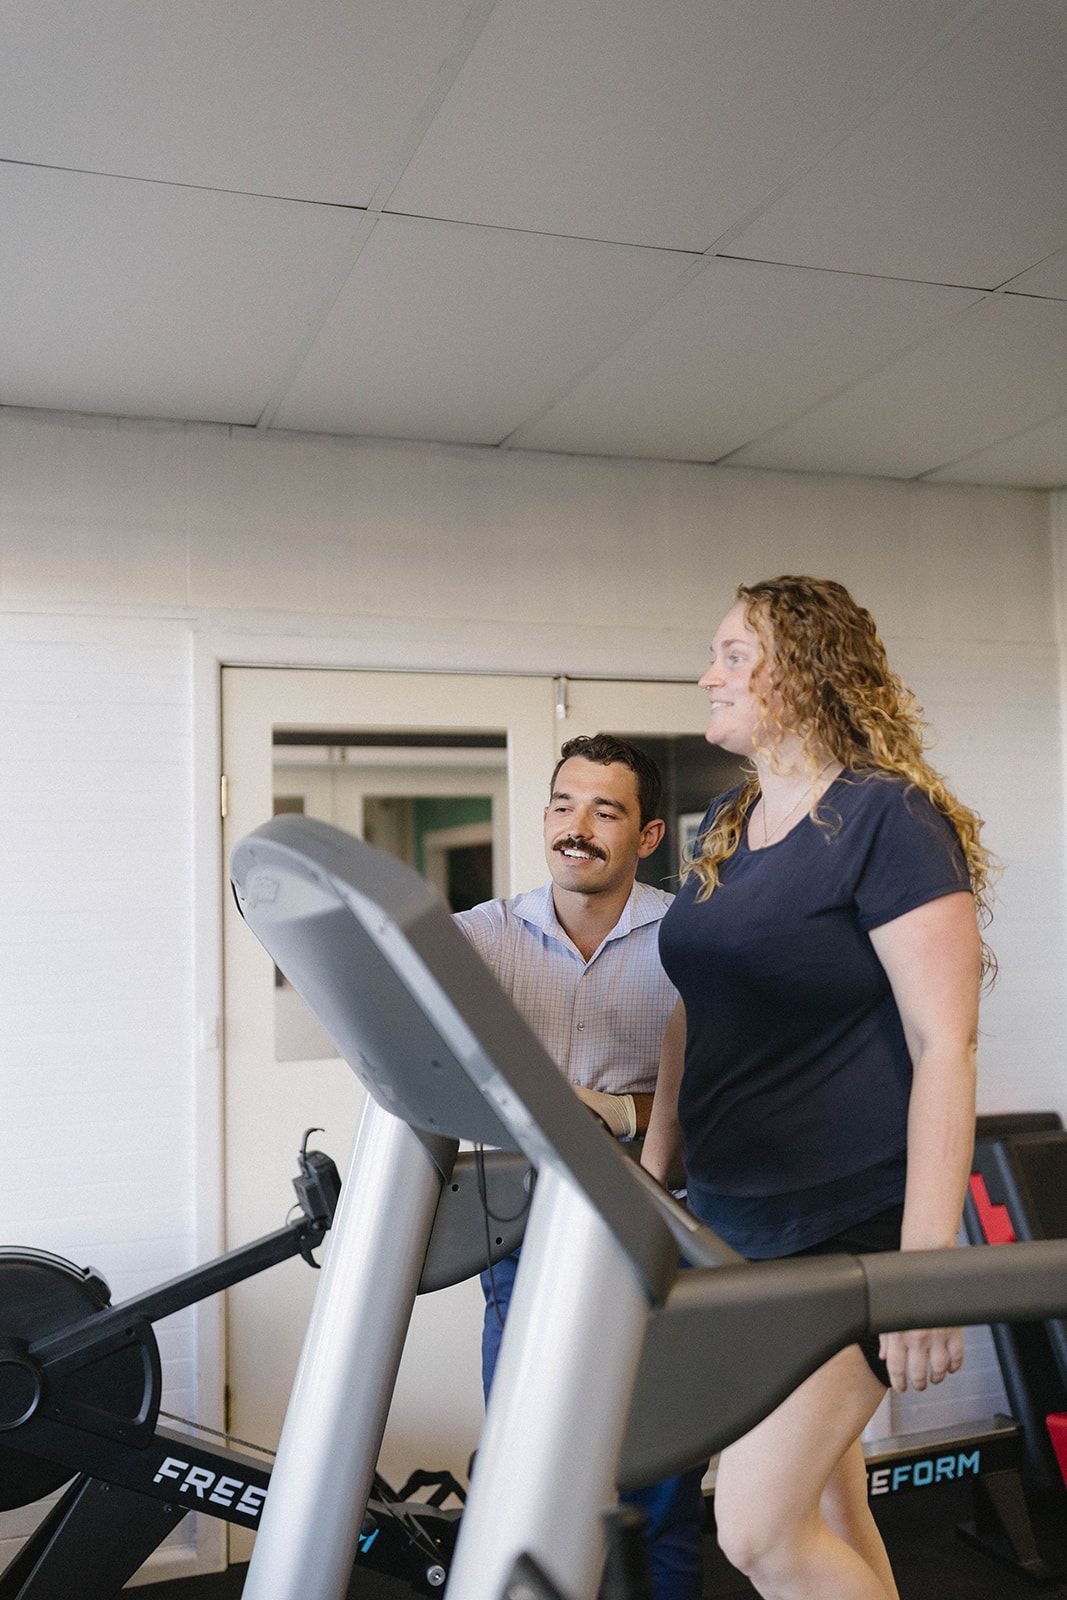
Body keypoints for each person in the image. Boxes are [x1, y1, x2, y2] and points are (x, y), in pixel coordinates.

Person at [642, 576, 992, 1600]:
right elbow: (688, 1007)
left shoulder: (888, 818)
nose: (707, 676)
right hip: (732, 1223)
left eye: (731, 656)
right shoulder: (729, 816)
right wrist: (649, 1177)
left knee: (752, 1529)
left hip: (850, 1222)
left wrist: (923, 1274)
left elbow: (944, 1045)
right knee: (832, 1507)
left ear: (800, 672)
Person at [455, 732, 706, 1600]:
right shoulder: (483, 937)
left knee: (662, 1482)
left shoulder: (689, 939)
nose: (578, 827)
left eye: (606, 811)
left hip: (654, 1224)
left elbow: (711, 1098)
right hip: (522, 1235)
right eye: (564, 805)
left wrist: (609, 1111)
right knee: (525, 1474)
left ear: (645, 837)